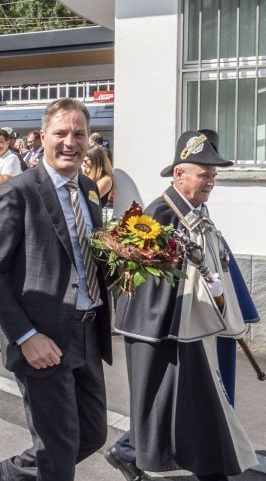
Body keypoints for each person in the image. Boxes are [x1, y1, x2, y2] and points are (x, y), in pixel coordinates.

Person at [106, 130, 257, 481]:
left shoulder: (195, 211)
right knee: (174, 408)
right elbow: (139, 281)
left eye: (213, 176)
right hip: (166, 331)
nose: (210, 183)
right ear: (179, 174)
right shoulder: (159, 215)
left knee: (188, 409)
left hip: (196, 327)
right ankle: (133, 450)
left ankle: (131, 449)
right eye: (204, 175)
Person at [0, 98, 113, 481]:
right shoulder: (19, 192)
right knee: (58, 450)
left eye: (79, 134)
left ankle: (11, 474)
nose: (70, 141)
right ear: (42, 138)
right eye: (61, 133)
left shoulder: (87, 188)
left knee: (92, 433)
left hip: (86, 332)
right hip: (42, 339)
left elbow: (87, 254)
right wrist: (25, 336)